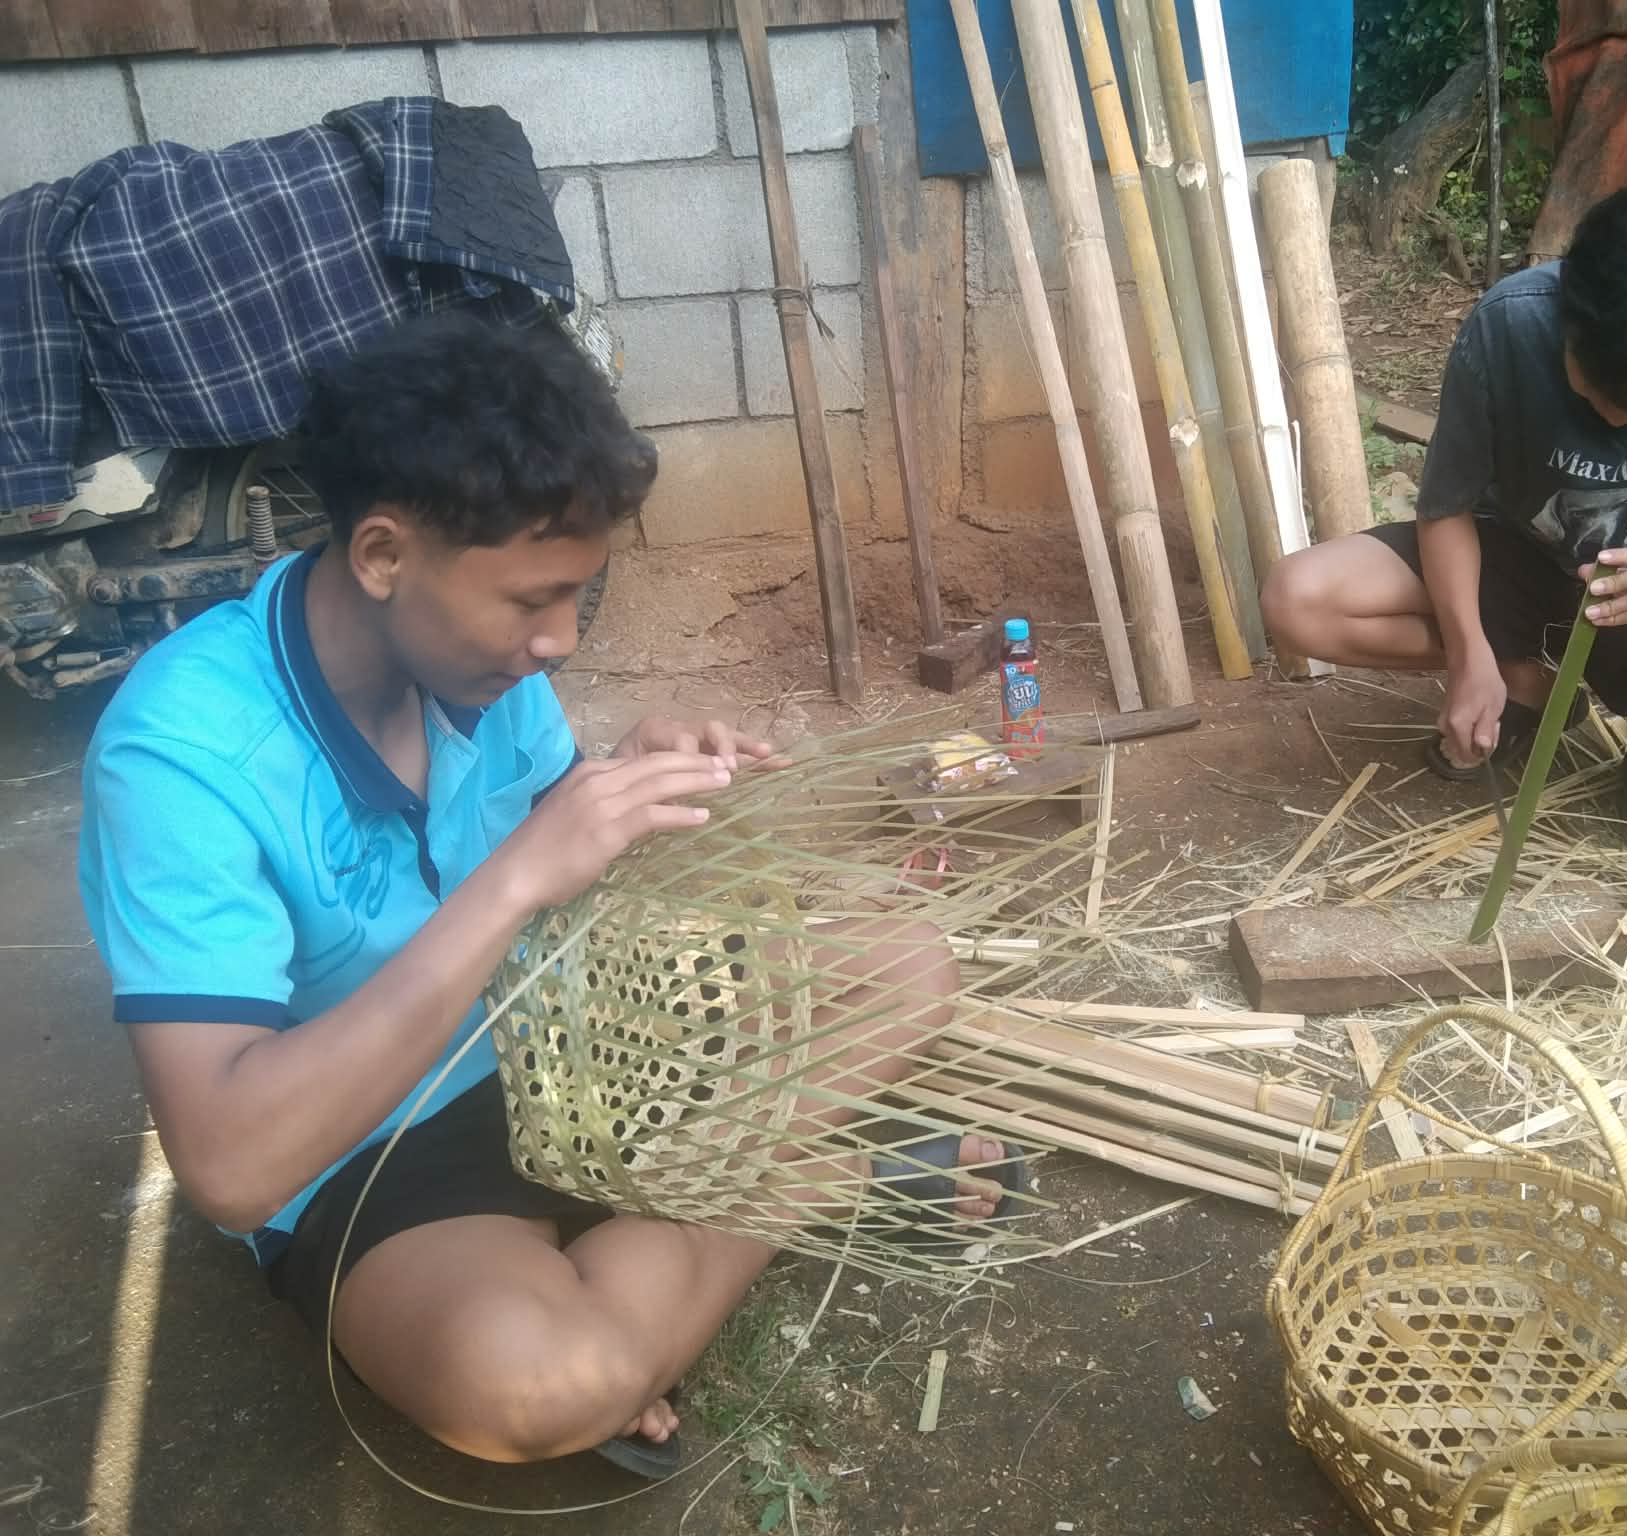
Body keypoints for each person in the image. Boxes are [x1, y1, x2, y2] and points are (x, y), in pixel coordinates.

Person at [77, 313, 1012, 1478]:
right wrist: (518, 877)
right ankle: (814, 1185)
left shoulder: (470, 657)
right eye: (531, 600)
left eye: (580, 595)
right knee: (538, 1386)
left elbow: (564, 852)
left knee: (898, 958)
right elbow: (226, 1162)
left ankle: (642, 1273)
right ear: (381, 556)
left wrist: (636, 784)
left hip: (572, 1047)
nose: (559, 640)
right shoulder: (180, 756)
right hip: (375, 1145)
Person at [1263, 177, 1627, 850]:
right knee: (1298, 599)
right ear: (1567, 308)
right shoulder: (1514, 319)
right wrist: (1467, 654)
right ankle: (1529, 678)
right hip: (1516, 561)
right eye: (1592, 387)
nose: (1613, 417)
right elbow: (1447, 507)